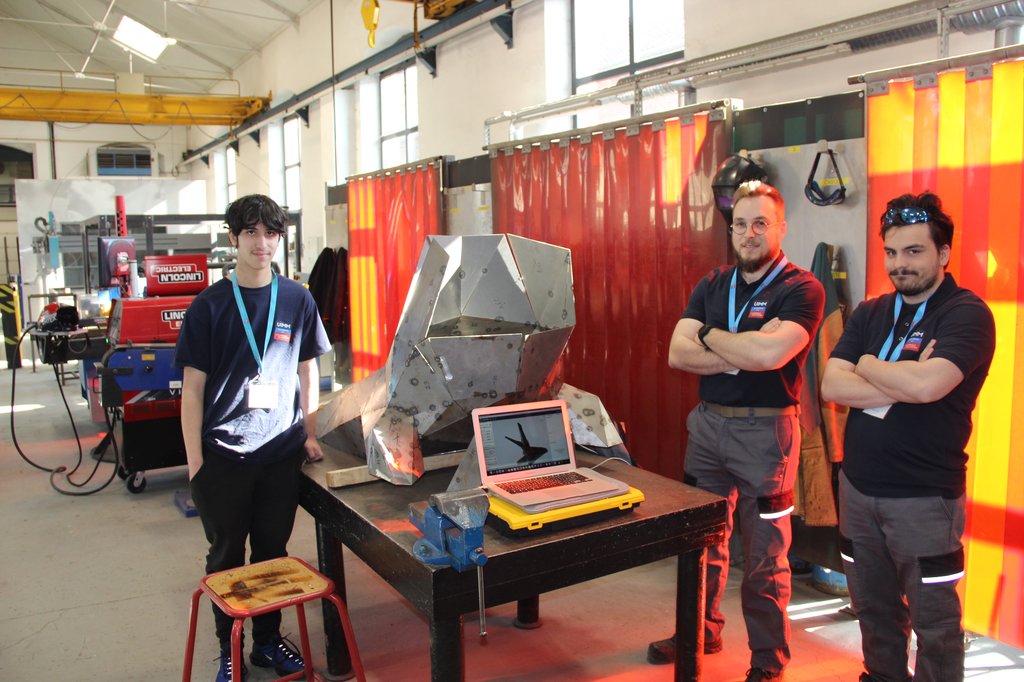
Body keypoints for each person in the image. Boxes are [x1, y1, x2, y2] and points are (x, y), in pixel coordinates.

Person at [648, 181, 825, 681]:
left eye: (760, 223)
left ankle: (768, 661)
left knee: (766, 556)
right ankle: (699, 631)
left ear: (780, 228)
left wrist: (708, 335)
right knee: (700, 539)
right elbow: (677, 353)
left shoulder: (802, 289)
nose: (750, 233)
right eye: (741, 224)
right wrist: (740, 347)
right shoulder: (713, 283)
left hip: (767, 436)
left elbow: (770, 356)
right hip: (708, 428)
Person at [821, 192, 995, 682]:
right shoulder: (871, 312)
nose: (900, 264)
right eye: (892, 252)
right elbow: (832, 385)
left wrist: (868, 364)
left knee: (935, 626)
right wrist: (904, 376)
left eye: (914, 251)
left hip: (924, 498)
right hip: (858, 489)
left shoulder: (966, 314)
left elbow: (927, 387)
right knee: (873, 611)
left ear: (943, 253)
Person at [175, 194, 331, 682]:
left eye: (271, 233)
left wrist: (308, 431)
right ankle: (229, 649)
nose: (261, 243)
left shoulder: (298, 299)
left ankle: (266, 642)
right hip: (223, 455)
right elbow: (192, 390)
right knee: (226, 558)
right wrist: (196, 463)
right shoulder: (209, 306)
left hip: (279, 454)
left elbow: (308, 369)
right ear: (233, 238)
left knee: (272, 554)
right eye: (251, 233)